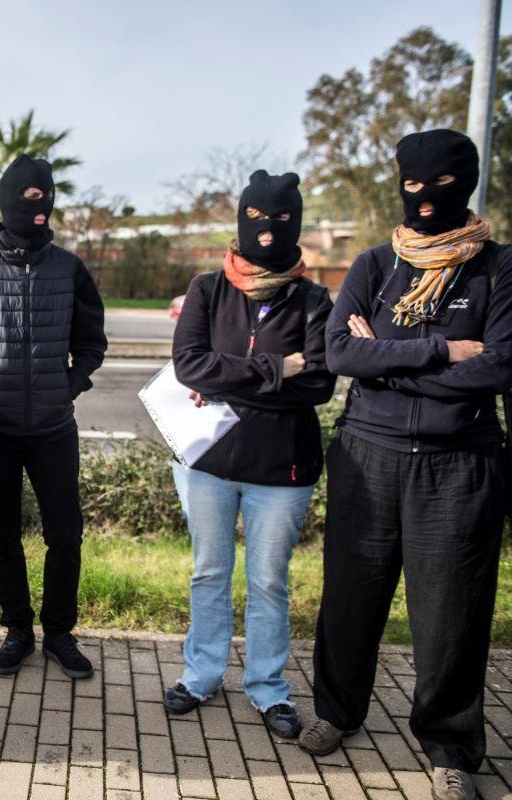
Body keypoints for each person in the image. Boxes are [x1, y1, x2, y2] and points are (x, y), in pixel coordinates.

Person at [301, 130, 512, 800]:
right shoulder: (375, 265)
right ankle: (338, 712)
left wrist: (391, 360)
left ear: (464, 183)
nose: (421, 198)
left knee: (452, 615)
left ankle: (450, 745)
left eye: (436, 184)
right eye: (409, 184)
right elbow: (341, 354)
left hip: (458, 467)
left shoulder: (501, 268)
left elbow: (495, 368)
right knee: (350, 600)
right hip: (366, 459)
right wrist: (443, 352)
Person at [166, 171, 335, 736]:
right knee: (209, 572)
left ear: (297, 222)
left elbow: (318, 384)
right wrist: (275, 369)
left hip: (281, 471)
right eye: (257, 218)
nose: (268, 230)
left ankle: (268, 688)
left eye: (282, 219)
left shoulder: (313, 298)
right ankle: (201, 674)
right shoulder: (207, 288)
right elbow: (190, 365)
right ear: (242, 221)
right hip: (207, 463)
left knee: (268, 581)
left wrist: (229, 377)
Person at [0, 155, 107, 679]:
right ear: (8, 201)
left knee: (66, 534)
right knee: (3, 535)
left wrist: (69, 385)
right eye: (28, 197)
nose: (39, 206)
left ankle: (60, 633)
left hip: (54, 428)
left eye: (46, 196)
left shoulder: (69, 268)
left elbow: (92, 342)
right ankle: (17, 630)